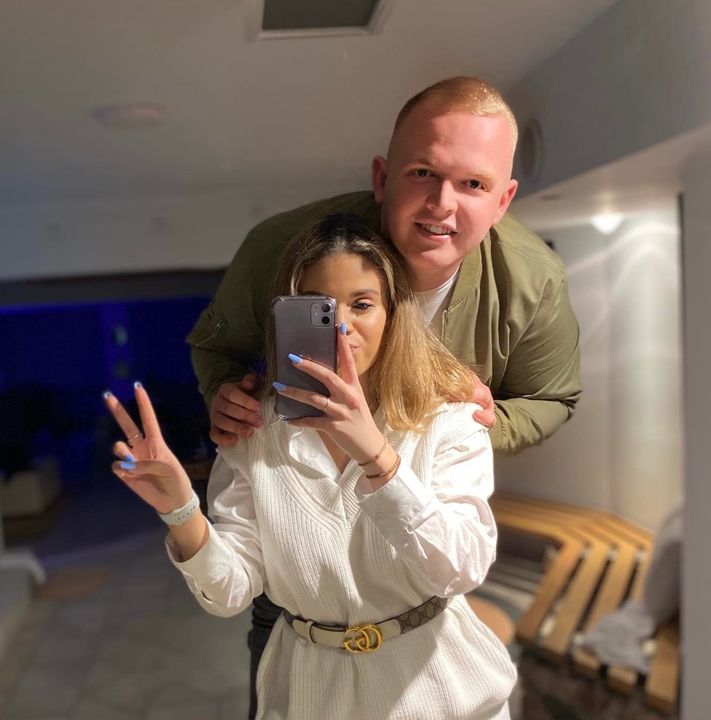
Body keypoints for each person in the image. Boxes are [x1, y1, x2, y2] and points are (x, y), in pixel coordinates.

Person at [188, 76, 582, 716]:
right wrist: (226, 394)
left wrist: (484, 420)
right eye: (424, 172)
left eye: (473, 183)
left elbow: (554, 398)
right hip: (300, 570)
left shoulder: (532, 281)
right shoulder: (283, 251)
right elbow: (214, 346)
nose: (442, 204)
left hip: (413, 571)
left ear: (504, 199)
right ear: (382, 176)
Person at [105, 215, 517, 719]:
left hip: (442, 689)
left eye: (362, 304)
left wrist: (376, 455)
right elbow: (231, 590)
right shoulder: (253, 432)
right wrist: (180, 510)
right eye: (318, 309)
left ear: (392, 313)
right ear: (286, 319)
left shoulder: (447, 421)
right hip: (310, 690)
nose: (341, 326)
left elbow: (463, 569)